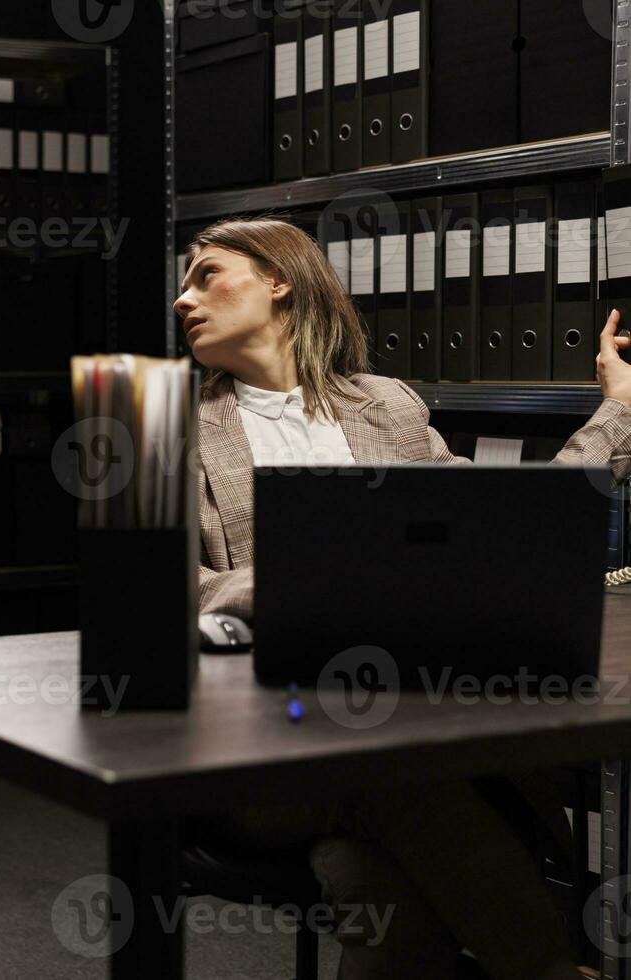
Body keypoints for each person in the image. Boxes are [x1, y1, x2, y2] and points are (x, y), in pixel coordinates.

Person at [174, 218, 631, 980]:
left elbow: (498, 525)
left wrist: (618, 409)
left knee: (372, 886)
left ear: (279, 280)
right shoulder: (173, 428)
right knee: (399, 773)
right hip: (264, 738)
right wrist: (319, 572)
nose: (183, 297)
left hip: (410, 713)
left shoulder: (386, 404)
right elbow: (160, 582)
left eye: (205, 274)